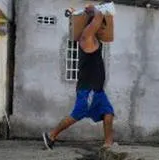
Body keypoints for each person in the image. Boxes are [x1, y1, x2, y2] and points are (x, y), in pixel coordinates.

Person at [42, 5, 115, 150]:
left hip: (97, 90)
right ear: (94, 25)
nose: (102, 29)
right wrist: (95, 9)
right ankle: (51, 135)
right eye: (100, 26)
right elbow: (99, 16)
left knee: (108, 114)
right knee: (77, 114)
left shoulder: (92, 38)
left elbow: (98, 20)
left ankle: (108, 143)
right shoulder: (86, 37)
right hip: (88, 90)